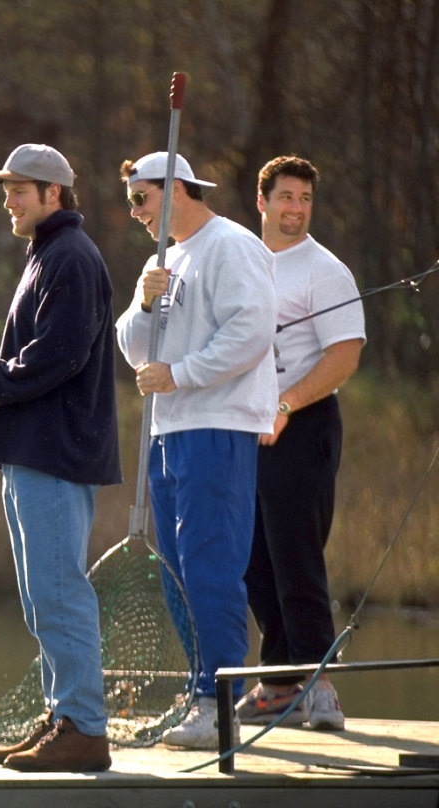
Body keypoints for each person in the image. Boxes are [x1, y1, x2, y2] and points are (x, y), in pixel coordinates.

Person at [0, 143, 121, 772]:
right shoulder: (47, 255)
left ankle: (84, 731)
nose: (8, 200)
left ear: (54, 194)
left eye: (20, 190)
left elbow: (60, 358)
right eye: (6, 189)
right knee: (39, 595)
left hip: (54, 454)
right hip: (30, 450)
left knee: (59, 590)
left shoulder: (70, 257)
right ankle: (64, 717)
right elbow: (41, 350)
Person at [115, 152, 278, 749]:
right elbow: (132, 350)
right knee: (178, 573)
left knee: (211, 564)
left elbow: (252, 332)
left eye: (141, 198)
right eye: (130, 200)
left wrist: (181, 374)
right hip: (169, 431)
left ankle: (221, 703)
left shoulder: (230, 246)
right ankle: (199, 692)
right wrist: (143, 300)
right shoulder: (162, 260)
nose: (134, 211)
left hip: (218, 423)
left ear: (178, 190)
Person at [236, 156, 365, 731]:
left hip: (303, 424)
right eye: (285, 197)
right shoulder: (239, 258)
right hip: (243, 424)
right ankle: (279, 682)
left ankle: (320, 688)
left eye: (304, 199)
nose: (295, 209)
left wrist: (285, 405)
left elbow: (345, 355)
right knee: (250, 558)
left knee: (296, 557)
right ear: (261, 201)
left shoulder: (325, 270)